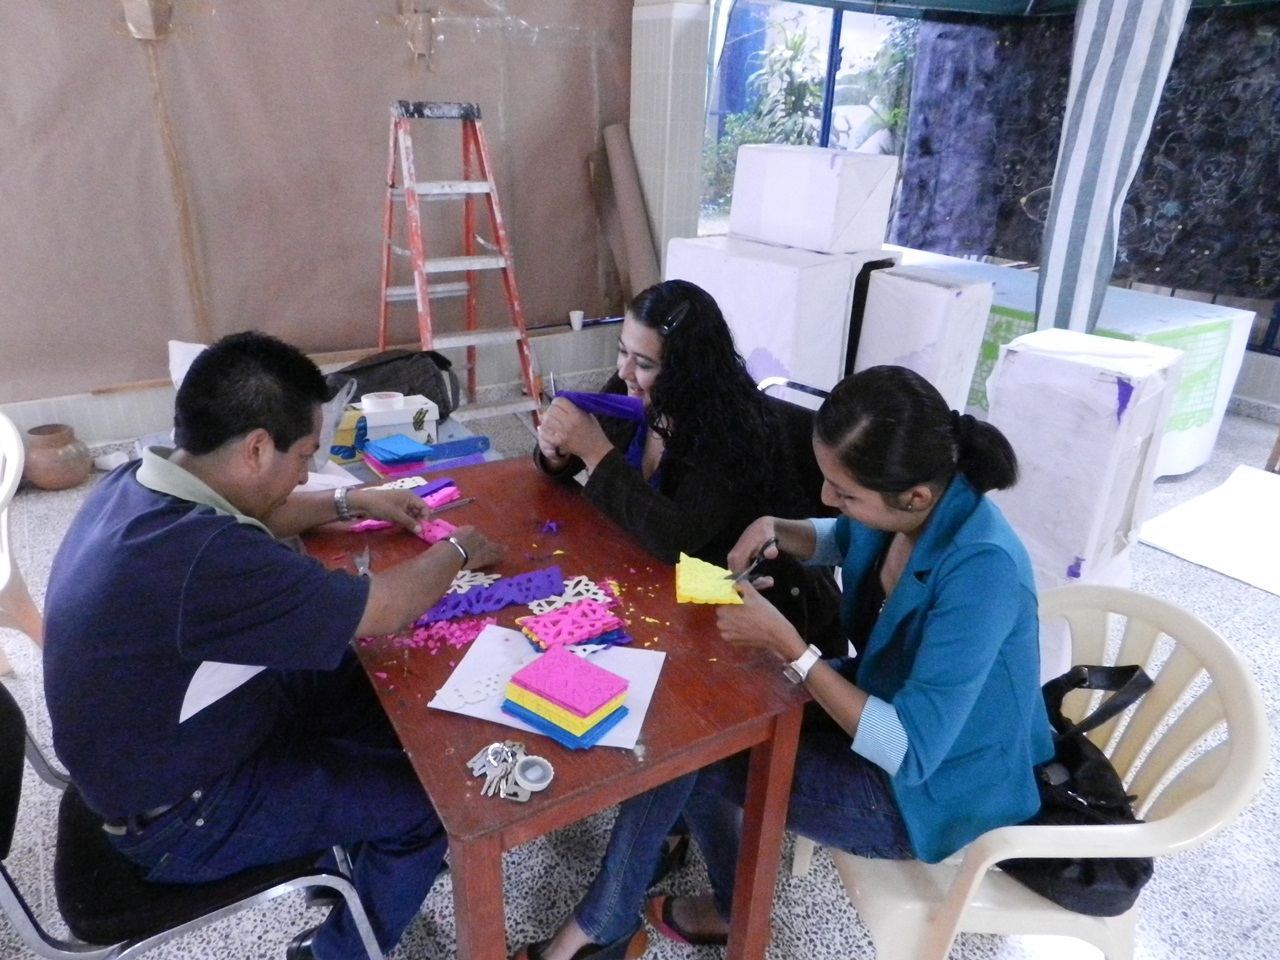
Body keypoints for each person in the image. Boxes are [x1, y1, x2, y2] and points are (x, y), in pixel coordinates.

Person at [516, 365, 1054, 959]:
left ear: (915, 497)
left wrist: (791, 648)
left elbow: (908, 750)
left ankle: (625, 922)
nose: (827, 499)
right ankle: (667, 907)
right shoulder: (911, 510)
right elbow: (846, 537)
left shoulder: (983, 572)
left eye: (844, 492)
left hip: (935, 789)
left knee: (688, 756)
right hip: (881, 700)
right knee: (696, 721)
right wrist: (778, 528)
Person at [43, 331, 504, 960]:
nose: (306, 474)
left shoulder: (140, 482)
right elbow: (386, 608)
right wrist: (458, 548)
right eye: (306, 455)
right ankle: (334, 951)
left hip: (162, 751)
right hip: (181, 818)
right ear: (257, 448)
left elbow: (255, 514)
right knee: (430, 808)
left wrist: (351, 499)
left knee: (368, 678)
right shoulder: (203, 557)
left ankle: (350, 849)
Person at [534, 278, 841, 647]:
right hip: (660, 584)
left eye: (643, 363)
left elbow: (676, 538)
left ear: (686, 370)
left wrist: (595, 452)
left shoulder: (731, 428)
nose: (624, 371)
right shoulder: (633, 386)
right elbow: (572, 454)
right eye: (622, 351)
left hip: (746, 607)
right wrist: (556, 451)